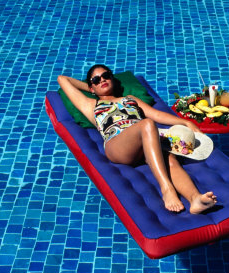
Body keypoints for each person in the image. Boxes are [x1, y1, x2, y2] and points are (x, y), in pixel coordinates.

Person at [57, 64, 217, 214]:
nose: (103, 80)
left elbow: (156, 115)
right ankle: (166, 188)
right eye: (96, 79)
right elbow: (62, 79)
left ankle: (195, 198)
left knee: (170, 160)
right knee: (147, 124)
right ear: (91, 87)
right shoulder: (90, 105)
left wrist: (185, 121)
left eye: (106, 76)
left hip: (146, 139)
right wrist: (92, 89)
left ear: (112, 78)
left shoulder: (130, 99)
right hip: (117, 145)